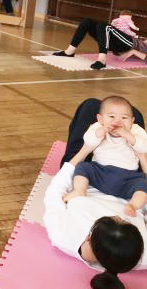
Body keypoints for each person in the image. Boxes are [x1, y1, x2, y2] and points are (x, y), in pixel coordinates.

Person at [44, 98, 147, 289]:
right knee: (135, 117)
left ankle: (122, 117)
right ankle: (127, 117)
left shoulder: (63, 236)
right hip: (130, 181)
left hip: (87, 178)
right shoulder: (142, 256)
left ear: (88, 237)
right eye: (124, 220)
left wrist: (86, 150)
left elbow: (55, 191)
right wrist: (142, 157)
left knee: (92, 105)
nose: (118, 215)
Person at [62, 96, 147, 216]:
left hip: (127, 177)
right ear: (100, 119)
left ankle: (133, 205)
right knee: (83, 167)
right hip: (101, 171)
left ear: (132, 121)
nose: (118, 121)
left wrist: (128, 136)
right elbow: (89, 140)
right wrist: (99, 133)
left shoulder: (135, 130)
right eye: (112, 117)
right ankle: (79, 190)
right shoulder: (98, 126)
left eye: (124, 118)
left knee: (142, 183)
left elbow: (144, 147)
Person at [52, 18, 135, 70]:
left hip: (130, 43)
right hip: (117, 43)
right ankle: (69, 51)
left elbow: (141, 54)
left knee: (103, 25)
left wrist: (133, 51)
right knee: (87, 22)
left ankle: (102, 60)